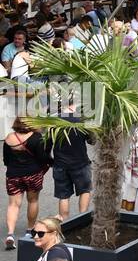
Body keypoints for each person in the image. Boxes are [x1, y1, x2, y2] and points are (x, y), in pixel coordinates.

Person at [5, 118, 49, 250]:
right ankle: (30, 230)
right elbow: (42, 158)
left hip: (13, 175)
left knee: (13, 204)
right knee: (33, 201)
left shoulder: (9, 138)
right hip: (33, 174)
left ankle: (10, 234)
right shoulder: (36, 137)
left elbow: (6, 160)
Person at [51, 103, 94, 221]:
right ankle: (82, 219)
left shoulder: (54, 121)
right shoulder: (82, 120)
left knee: (63, 196)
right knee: (85, 191)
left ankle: (64, 223)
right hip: (81, 163)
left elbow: (47, 144)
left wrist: (50, 161)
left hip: (60, 164)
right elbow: (92, 141)